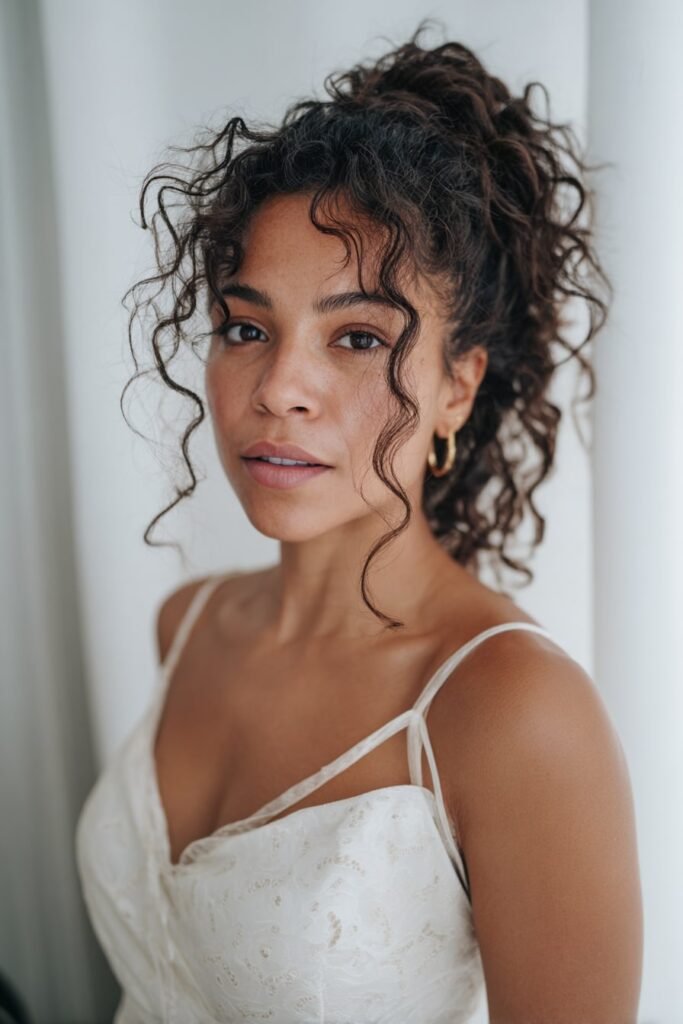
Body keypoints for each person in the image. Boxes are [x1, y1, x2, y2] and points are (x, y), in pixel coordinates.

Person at [75, 21, 643, 1024]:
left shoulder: (513, 713)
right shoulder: (186, 624)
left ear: (456, 386)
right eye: (246, 327)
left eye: (358, 338)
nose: (278, 387)